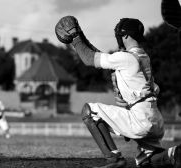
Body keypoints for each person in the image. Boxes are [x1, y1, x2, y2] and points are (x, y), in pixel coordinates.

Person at [55, 16, 180, 168]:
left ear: (125, 35)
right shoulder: (142, 57)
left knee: (89, 111)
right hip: (155, 119)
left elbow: (89, 59)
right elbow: (102, 57)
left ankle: (114, 160)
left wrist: (75, 38)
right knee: (147, 161)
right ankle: (175, 152)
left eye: (120, 33)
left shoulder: (126, 58)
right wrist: (81, 35)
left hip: (140, 118)